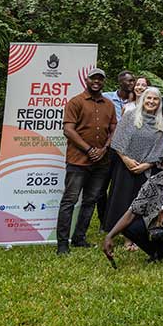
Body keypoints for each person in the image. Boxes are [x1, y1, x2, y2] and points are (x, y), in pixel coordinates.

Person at [102, 147, 163, 272]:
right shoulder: (153, 182)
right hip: (159, 225)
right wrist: (110, 236)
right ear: (161, 164)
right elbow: (133, 210)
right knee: (129, 228)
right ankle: (159, 251)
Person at [56, 68, 117, 255]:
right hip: (78, 161)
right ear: (87, 80)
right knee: (70, 200)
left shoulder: (108, 104)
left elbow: (114, 128)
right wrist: (89, 149)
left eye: (100, 79)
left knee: (90, 200)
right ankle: (62, 243)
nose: (97, 82)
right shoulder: (76, 102)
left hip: (101, 162)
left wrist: (105, 148)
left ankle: (79, 238)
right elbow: (68, 130)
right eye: (93, 78)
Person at [103, 87, 163, 246]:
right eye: (148, 98)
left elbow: (161, 146)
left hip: (147, 169)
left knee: (141, 204)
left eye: (155, 99)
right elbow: (118, 139)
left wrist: (147, 164)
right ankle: (124, 236)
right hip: (125, 167)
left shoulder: (161, 123)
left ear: (159, 102)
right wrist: (126, 159)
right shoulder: (130, 116)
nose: (151, 102)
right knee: (124, 202)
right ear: (143, 100)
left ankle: (136, 236)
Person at [99, 70, 136, 224]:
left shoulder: (137, 102)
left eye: (133, 80)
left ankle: (118, 220)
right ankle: (103, 220)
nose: (132, 83)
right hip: (108, 149)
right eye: (129, 81)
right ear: (120, 82)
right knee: (101, 188)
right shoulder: (106, 97)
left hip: (126, 150)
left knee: (119, 188)